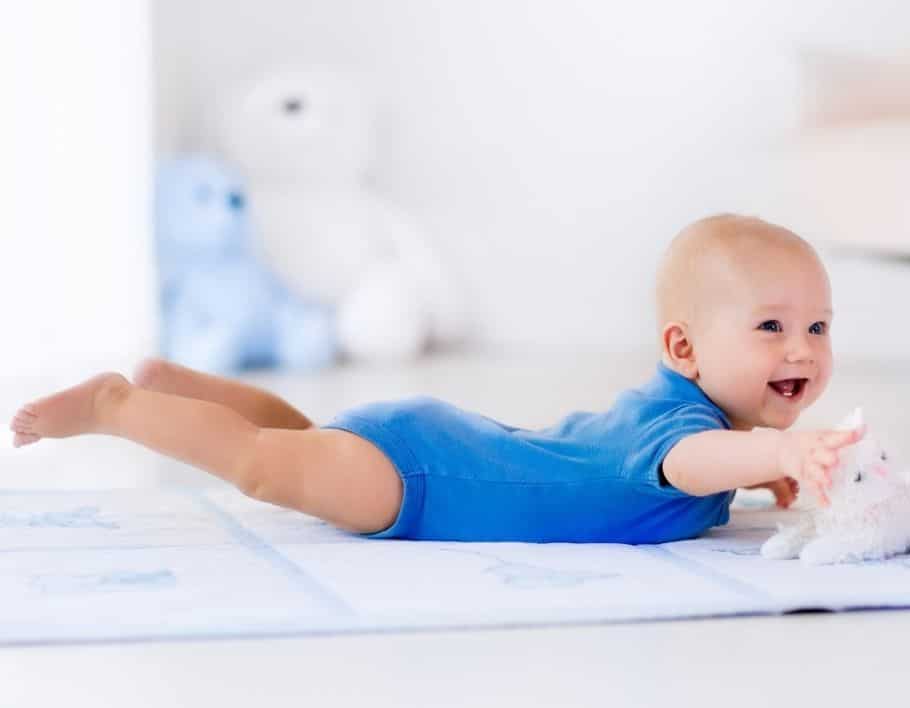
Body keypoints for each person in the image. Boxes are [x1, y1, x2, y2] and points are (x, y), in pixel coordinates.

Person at [10, 213, 863, 544]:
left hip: (434, 446)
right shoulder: (684, 435)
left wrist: (768, 470)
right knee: (268, 466)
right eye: (772, 329)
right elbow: (691, 467)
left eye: (817, 328)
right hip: (422, 482)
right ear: (684, 348)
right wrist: (779, 462)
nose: (803, 351)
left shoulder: (709, 422)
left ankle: (178, 385)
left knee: (301, 442)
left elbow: (714, 468)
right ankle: (120, 406)